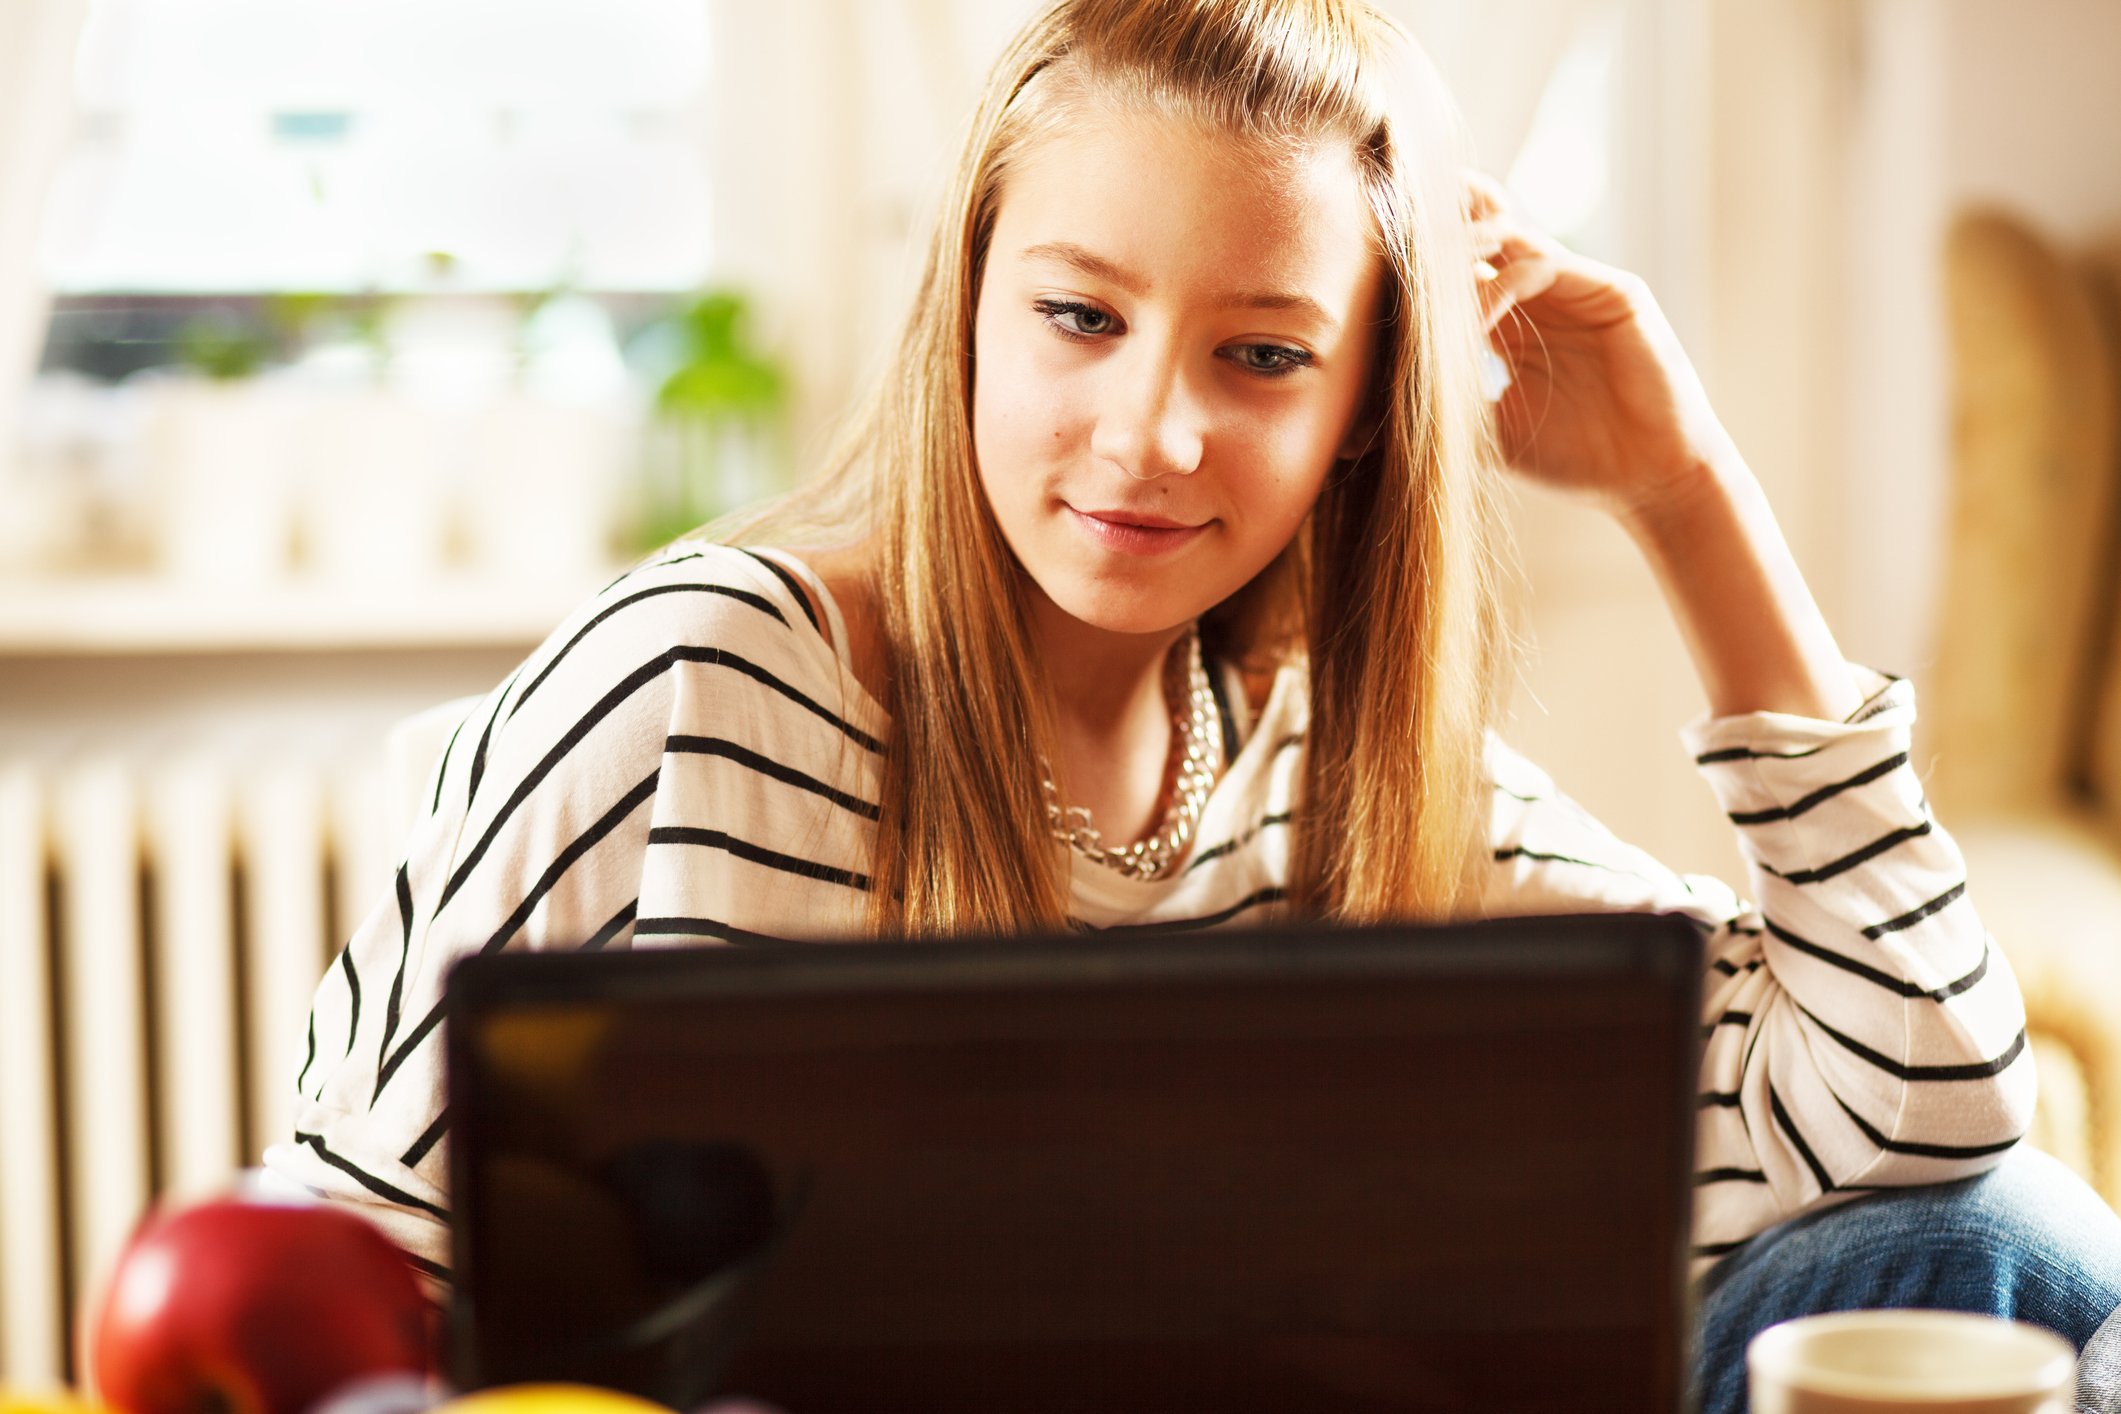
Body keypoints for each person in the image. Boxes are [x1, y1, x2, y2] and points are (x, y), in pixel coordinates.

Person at [263, 1, 2121, 1408]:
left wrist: (1686, 490)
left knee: (2014, 1248)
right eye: (1080, 316)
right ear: (968, 307)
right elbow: (324, 1288)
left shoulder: (1329, 760)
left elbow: (1924, 1109)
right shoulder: (700, 682)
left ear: (1363, 411)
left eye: (1261, 354)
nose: (1152, 433)